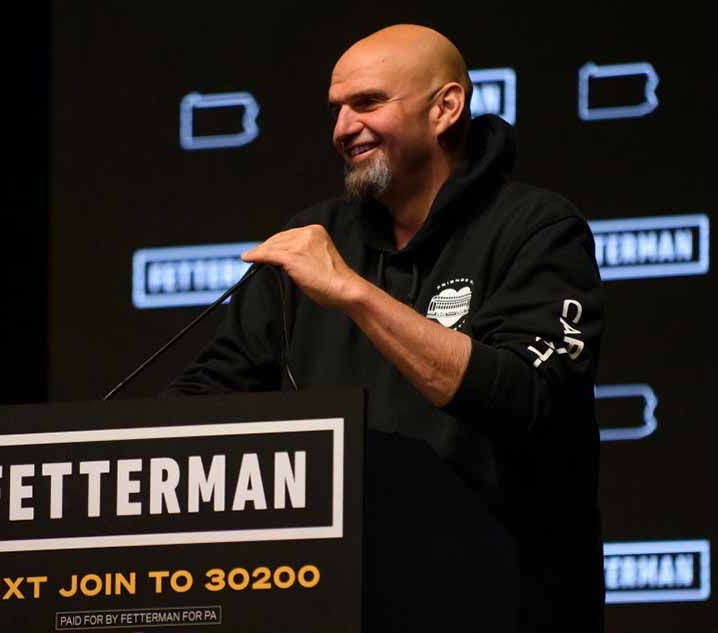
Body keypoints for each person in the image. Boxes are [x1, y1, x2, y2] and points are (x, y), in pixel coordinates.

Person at [167, 24, 605, 631]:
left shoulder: (536, 229)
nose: (343, 128)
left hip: (500, 601)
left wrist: (353, 294)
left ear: (445, 108)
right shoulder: (317, 237)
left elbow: (526, 395)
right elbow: (213, 394)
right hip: (336, 600)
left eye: (368, 103)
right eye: (337, 109)